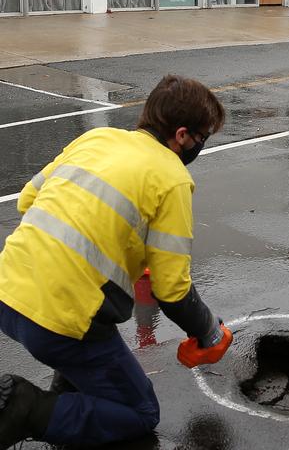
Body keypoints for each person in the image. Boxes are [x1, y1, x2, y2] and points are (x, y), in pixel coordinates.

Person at [0, 75, 233, 448]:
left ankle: (63, 397)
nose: (200, 146)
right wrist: (207, 331)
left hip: (9, 292)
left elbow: (27, 200)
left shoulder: (98, 138)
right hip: (60, 321)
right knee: (139, 413)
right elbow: (172, 290)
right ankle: (26, 408)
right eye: (203, 138)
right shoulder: (172, 178)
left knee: (84, 351)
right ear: (183, 135)